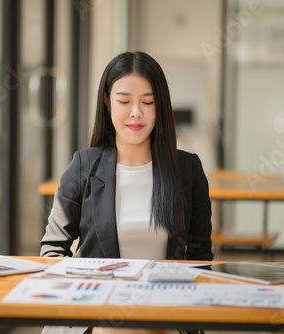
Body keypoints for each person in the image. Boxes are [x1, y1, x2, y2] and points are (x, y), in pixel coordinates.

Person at [40, 51, 212, 334]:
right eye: (124, 101)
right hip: (96, 313)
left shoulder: (188, 169)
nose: (136, 112)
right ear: (107, 101)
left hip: (166, 314)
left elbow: (200, 257)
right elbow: (52, 251)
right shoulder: (84, 166)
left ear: (161, 106)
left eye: (148, 102)